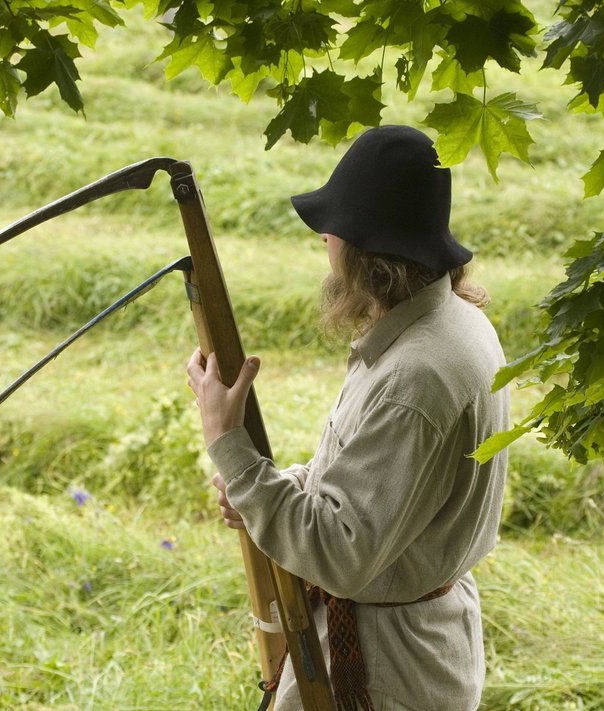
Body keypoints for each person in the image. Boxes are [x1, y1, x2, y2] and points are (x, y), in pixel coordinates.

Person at [186, 125, 510, 711]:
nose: (325, 239)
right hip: (410, 644)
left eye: (334, 228)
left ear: (369, 252)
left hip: (387, 670)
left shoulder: (416, 374)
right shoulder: (445, 326)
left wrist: (227, 443)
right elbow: (372, 486)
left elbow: (340, 556)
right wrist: (271, 491)